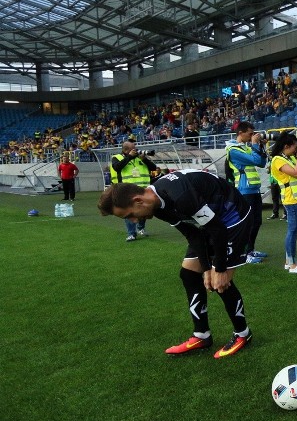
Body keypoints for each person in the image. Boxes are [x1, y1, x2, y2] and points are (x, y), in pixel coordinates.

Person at [97, 170, 255, 359]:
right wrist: (206, 268)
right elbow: (193, 235)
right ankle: (201, 335)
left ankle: (242, 334)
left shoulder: (180, 196)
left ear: (138, 201)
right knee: (189, 274)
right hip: (211, 223)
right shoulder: (157, 205)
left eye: (129, 215)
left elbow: (217, 230)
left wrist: (219, 268)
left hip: (233, 219)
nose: (133, 220)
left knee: (220, 282)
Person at [269, 133, 297, 274]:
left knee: (295, 230)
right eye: (294, 146)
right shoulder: (277, 160)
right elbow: (296, 173)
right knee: (292, 231)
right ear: (286, 146)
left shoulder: (290, 157)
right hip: (290, 199)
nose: (296, 148)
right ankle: (292, 265)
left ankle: (290, 261)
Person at [225, 122, 267, 263]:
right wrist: (255, 145)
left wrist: (261, 146)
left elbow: (261, 162)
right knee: (248, 223)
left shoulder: (245, 148)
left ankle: (250, 250)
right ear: (240, 133)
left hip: (254, 189)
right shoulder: (233, 150)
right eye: (250, 133)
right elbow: (255, 160)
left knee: (257, 222)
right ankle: (244, 254)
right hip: (244, 191)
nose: (252, 136)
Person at [111, 140, 157, 242]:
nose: (136, 149)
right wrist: (129, 157)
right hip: (128, 190)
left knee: (144, 211)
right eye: (133, 148)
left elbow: (154, 168)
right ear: (126, 150)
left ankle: (141, 228)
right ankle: (131, 233)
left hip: (143, 189)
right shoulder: (117, 157)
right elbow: (116, 167)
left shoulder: (140, 157)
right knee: (129, 212)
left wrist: (144, 159)